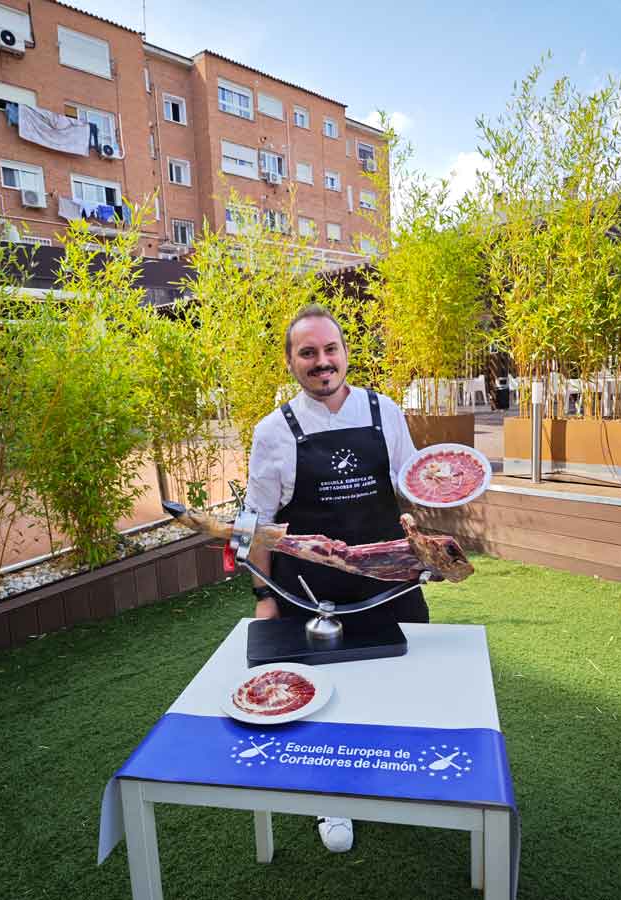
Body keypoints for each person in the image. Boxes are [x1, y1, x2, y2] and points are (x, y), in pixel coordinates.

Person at [244, 303, 428, 852]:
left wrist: (422, 537)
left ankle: (396, 777)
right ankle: (332, 802)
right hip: (311, 592)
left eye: (331, 350)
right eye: (308, 353)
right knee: (321, 699)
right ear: (291, 362)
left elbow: (411, 489)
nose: (323, 363)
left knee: (405, 680)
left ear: (345, 353)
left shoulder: (383, 411)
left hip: (390, 582)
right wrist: (263, 597)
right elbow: (256, 523)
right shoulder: (272, 432)